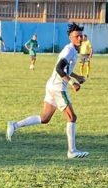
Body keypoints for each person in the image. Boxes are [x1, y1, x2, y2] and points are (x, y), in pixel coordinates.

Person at [6, 22, 89, 159]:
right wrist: (72, 83)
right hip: (57, 87)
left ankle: (14, 125)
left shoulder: (72, 50)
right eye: (77, 36)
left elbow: (65, 69)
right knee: (72, 117)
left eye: (81, 36)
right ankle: (72, 151)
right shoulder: (69, 50)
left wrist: (77, 77)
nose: (80, 38)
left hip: (51, 85)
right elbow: (59, 68)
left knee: (44, 118)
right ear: (70, 37)